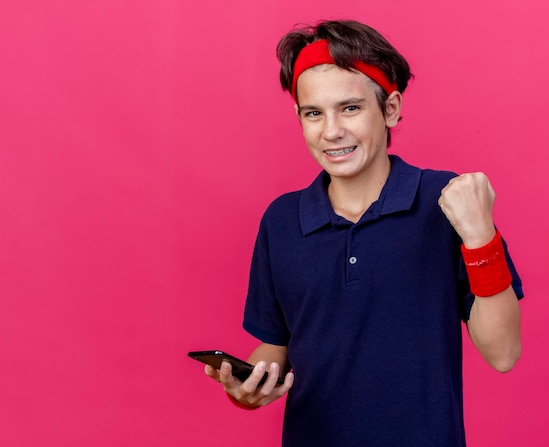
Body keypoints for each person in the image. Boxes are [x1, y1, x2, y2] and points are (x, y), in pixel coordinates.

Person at [203, 19, 523, 447]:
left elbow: (503, 353)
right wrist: (250, 386)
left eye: (350, 108)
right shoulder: (281, 221)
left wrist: (481, 236)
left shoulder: (446, 201)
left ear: (390, 109)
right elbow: (274, 345)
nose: (331, 131)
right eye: (314, 113)